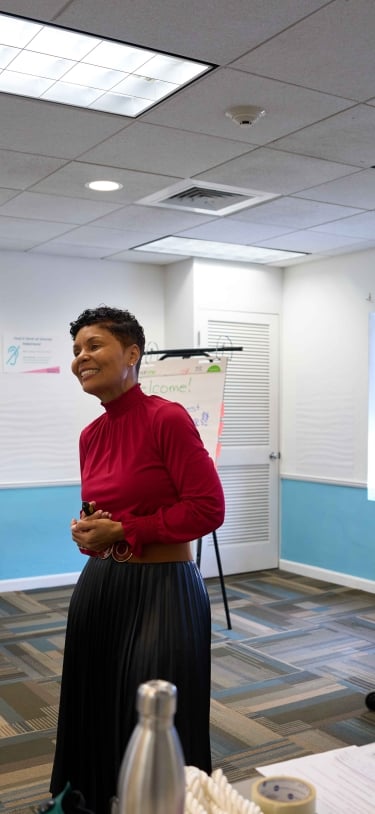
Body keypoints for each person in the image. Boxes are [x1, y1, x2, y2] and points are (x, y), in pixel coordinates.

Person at [50, 306, 225, 814]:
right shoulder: (90, 435)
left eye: (94, 345)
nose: (81, 358)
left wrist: (126, 530)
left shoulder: (166, 418)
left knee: (153, 714)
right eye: (76, 350)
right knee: (94, 706)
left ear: (132, 353)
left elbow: (208, 508)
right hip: (101, 586)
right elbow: (103, 517)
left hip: (163, 590)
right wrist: (91, 534)